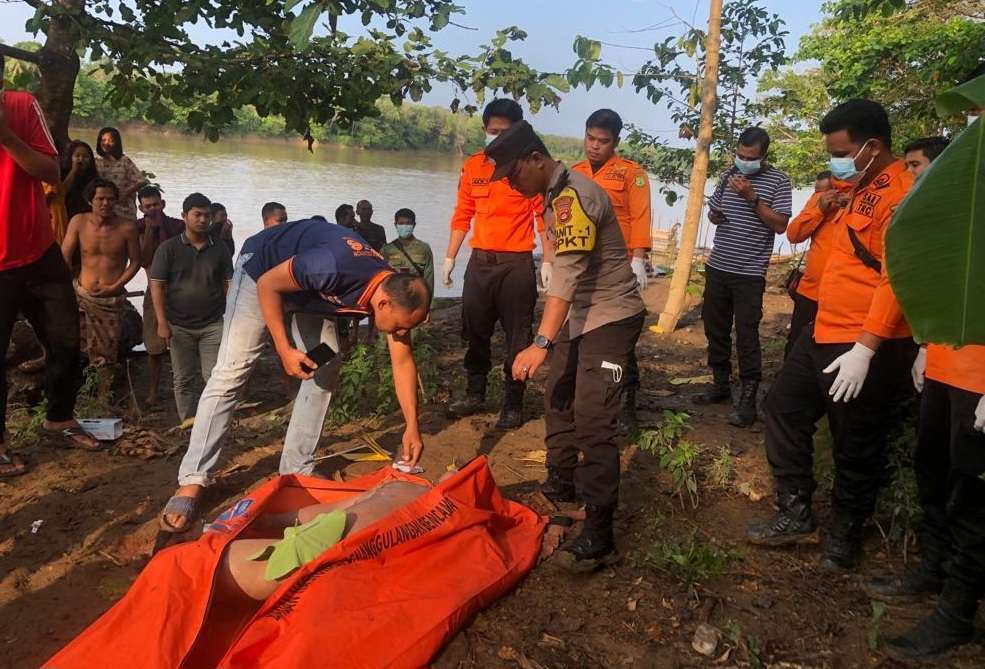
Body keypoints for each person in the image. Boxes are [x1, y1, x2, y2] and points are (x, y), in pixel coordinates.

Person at [159, 219, 431, 533]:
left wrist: (412, 425)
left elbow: (402, 361)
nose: (400, 334)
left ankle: (297, 467)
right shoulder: (333, 266)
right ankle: (192, 480)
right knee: (232, 373)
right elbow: (269, 286)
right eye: (399, 327)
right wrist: (284, 348)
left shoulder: (392, 292)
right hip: (262, 271)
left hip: (309, 293)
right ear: (383, 303)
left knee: (326, 367)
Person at [746, 99, 917, 572]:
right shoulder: (852, 185)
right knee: (783, 407)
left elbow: (896, 278)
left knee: (855, 439)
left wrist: (866, 347)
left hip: (865, 340)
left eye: (841, 151)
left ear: (872, 146)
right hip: (823, 327)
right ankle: (796, 511)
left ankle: (846, 533)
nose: (834, 160)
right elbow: (804, 235)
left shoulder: (901, 195)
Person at [489, 120, 645, 569]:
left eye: (514, 175)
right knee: (558, 393)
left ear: (536, 160)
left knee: (595, 420)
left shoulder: (574, 195)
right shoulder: (552, 193)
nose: (512, 186)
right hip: (580, 314)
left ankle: (599, 529)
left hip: (611, 316)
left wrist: (541, 340)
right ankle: (560, 482)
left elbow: (570, 276)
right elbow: (561, 265)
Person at [1, 65, 100, 474]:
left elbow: (51, 170)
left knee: (66, 341)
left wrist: (6, 135)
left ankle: (59, 416)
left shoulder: (22, 105)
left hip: (41, 254)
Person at [869, 344, 985, 661]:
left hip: (979, 380)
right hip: (944, 365)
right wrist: (926, 344)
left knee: (971, 501)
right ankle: (935, 568)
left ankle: (957, 613)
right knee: (932, 473)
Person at [443, 99, 552, 429]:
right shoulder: (474, 166)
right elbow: (463, 214)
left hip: (516, 265)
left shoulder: (525, 168)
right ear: (484, 130)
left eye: (504, 132)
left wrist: (548, 260)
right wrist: (450, 258)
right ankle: (475, 393)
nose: (497, 137)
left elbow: (542, 217)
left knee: (517, 337)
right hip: (480, 264)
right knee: (475, 331)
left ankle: (513, 402)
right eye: (492, 131)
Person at [695, 127, 793, 427]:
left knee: (747, 335)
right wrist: (716, 215)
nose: (743, 161)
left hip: (749, 273)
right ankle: (720, 385)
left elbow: (780, 225)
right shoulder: (727, 175)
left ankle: (748, 399)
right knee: (715, 328)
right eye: (739, 155)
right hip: (719, 265)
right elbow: (714, 213)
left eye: (750, 157)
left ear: (763, 156)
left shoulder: (779, 181)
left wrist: (752, 198)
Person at [571, 109, 653, 429]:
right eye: (590, 138)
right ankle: (589, 392)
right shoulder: (574, 173)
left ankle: (628, 397)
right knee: (583, 328)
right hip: (582, 266)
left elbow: (641, 216)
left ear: (615, 142)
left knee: (618, 331)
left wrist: (639, 258)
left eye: (602, 141)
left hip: (617, 266)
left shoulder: (631, 174)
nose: (594, 146)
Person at [149, 193, 233, 422]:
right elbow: (157, 286)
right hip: (178, 325)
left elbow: (229, 283)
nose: (203, 220)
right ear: (184, 216)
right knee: (183, 379)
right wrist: (162, 323)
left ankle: (212, 421)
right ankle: (187, 421)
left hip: (213, 323)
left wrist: (232, 317)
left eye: (207, 215)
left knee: (213, 377)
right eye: (197, 215)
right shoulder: (168, 249)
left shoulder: (220, 248)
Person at [61, 178, 141, 395]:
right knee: (67, 341)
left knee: (106, 353)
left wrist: (115, 286)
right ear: (90, 200)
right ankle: (72, 394)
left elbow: (135, 262)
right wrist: (65, 286)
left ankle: (103, 399)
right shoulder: (78, 221)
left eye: (110, 199)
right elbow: (65, 256)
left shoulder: (127, 227)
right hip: (81, 293)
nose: (105, 203)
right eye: (100, 199)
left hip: (109, 299)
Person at [783, 170, 841, 357]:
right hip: (810, 291)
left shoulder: (855, 204)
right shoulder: (818, 202)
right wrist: (820, 210)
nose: (819, 195)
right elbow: (794, 234)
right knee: (797, 344)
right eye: (817, 191)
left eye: (825, 191)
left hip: (841, 296)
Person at [136, 185, 185, 405]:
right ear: (141, 208)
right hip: (154, 292)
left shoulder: (178, 226)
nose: (153, 209)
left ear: (162, 204)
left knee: (183, 344)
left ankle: (184, 390)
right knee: (154, 346)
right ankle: (153, 392)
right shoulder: (137, 228)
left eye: (156, 204)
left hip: (181, 291)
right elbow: (144, 260)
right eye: (148, 206)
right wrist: (148, 230)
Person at [44, 140, 99, 244]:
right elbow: (61, 193)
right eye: (77, 156)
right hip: (65, 218)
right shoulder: (60, 174)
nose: (81, 159)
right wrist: (74, 171)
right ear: (70, 157)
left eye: (86, 156)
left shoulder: (93, 178)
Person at [94, 127, 146, 221]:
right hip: (103, 207)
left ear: (117, 143)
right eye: (103, 140)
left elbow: (141, 180)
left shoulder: (124, 161)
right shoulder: (96, 162)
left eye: (110, 141)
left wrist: (125, 193)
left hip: (123, 208)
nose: (106, 143)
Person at [381, 208, 434, 299]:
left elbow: (429, 278)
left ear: (414, 225)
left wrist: (429, 305)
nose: (404, 226)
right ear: (395, 225)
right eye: (401, 223)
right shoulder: (386, 249)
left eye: (408, 223)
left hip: (416, 296)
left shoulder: (423, 248)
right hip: (393, 297)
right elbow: (381, 278)